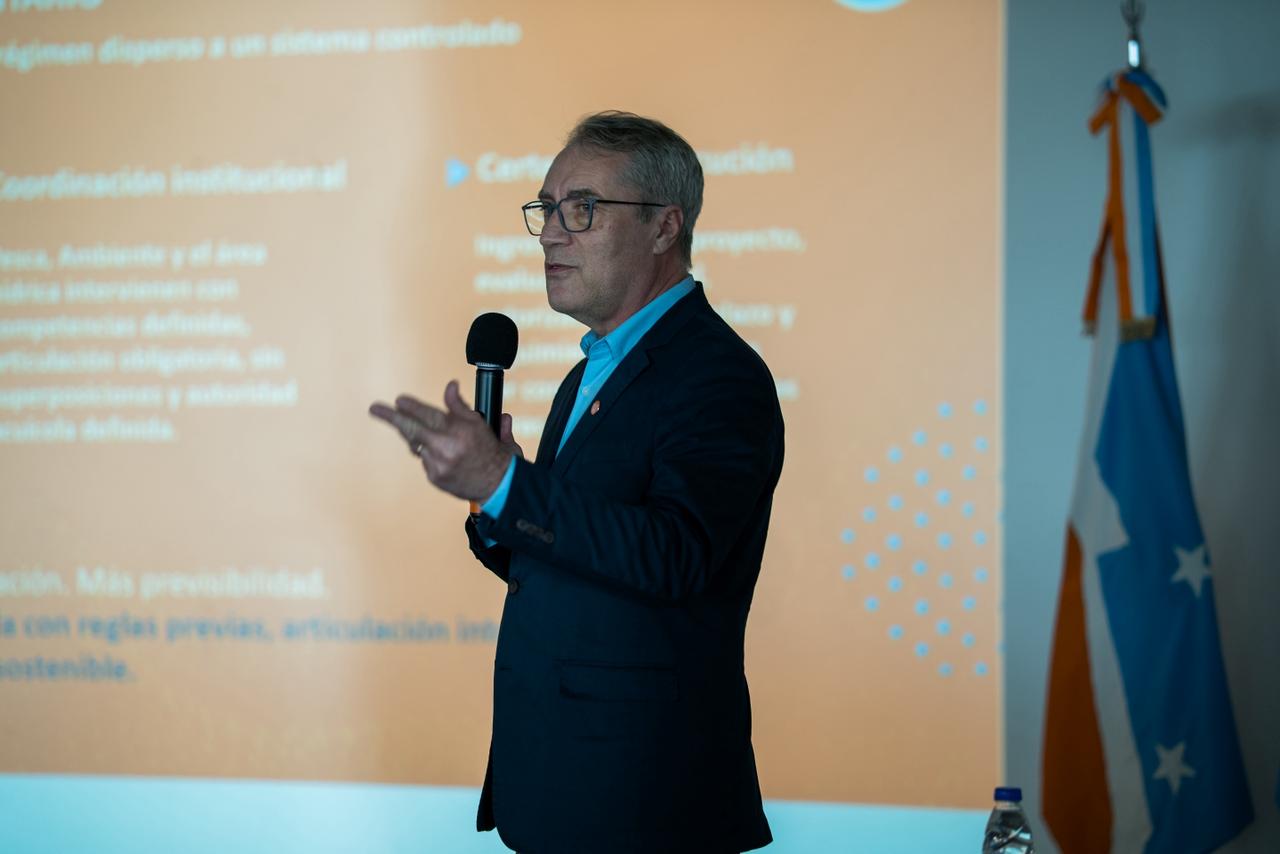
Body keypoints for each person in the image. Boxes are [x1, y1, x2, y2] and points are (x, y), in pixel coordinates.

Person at [370, 111, 783, 853]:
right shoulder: (587, 373)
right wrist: (493, 497)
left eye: (582, 209)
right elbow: (566, 566)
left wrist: (509, 485)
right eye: (547, 209)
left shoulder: (716, 374)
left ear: (664, 226)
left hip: (645, 803)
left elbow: (675, 555)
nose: (552, 234)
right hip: (564, 787)